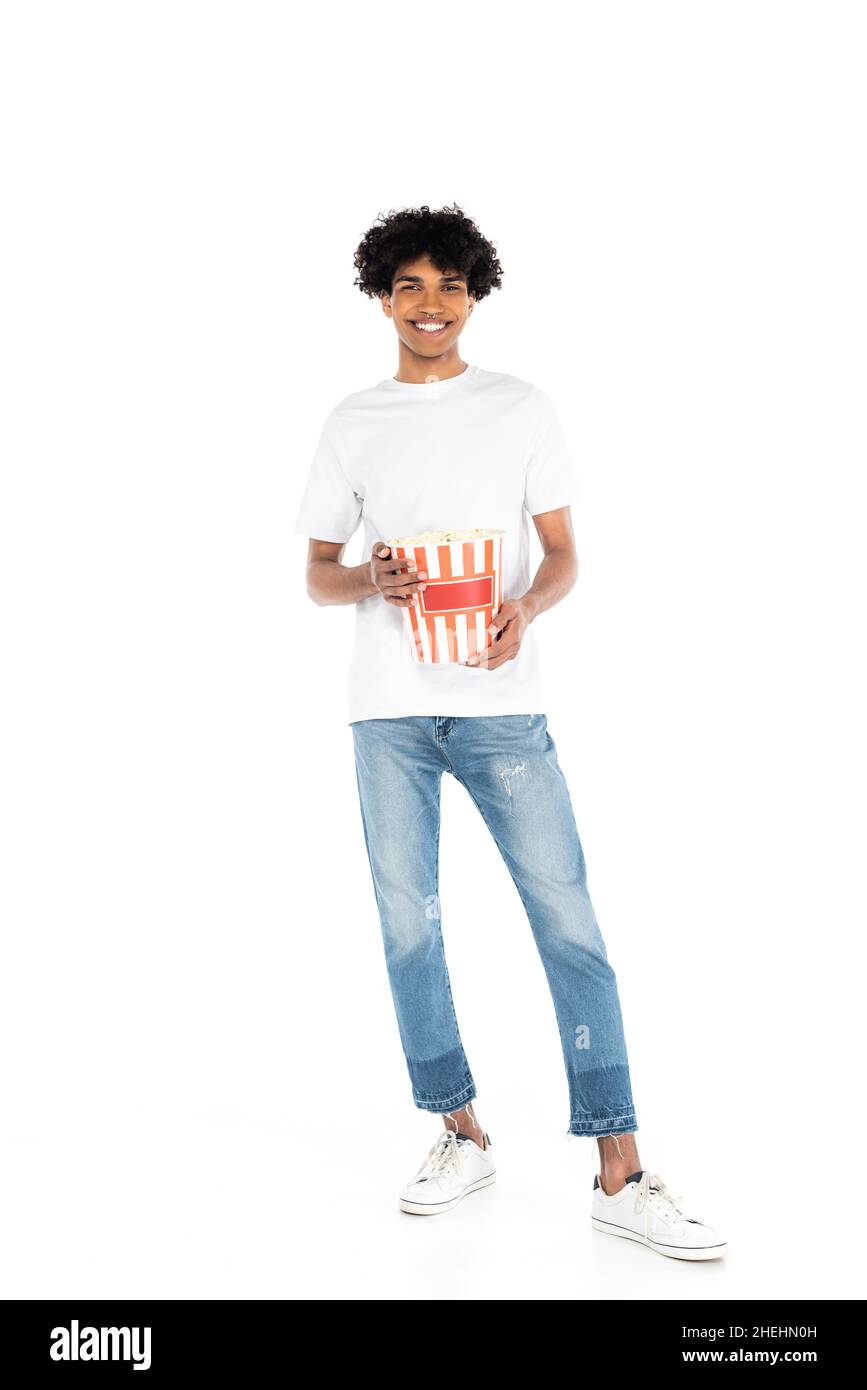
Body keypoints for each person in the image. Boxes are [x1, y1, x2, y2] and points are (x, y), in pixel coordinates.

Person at [292, 203, 727, 1260]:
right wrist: (372, 575)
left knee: (567, 921)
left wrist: (523, 610)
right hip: (387, 710)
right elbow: (318, 574)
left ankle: (619, 1168)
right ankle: (459, 1129)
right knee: (410, 926)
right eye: (408, 285)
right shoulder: (354, 420)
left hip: (503, 705)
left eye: (449, 283)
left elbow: (564, 556)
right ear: (381, 297)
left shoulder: (521, 407)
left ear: (474, 293)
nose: (429, 303)